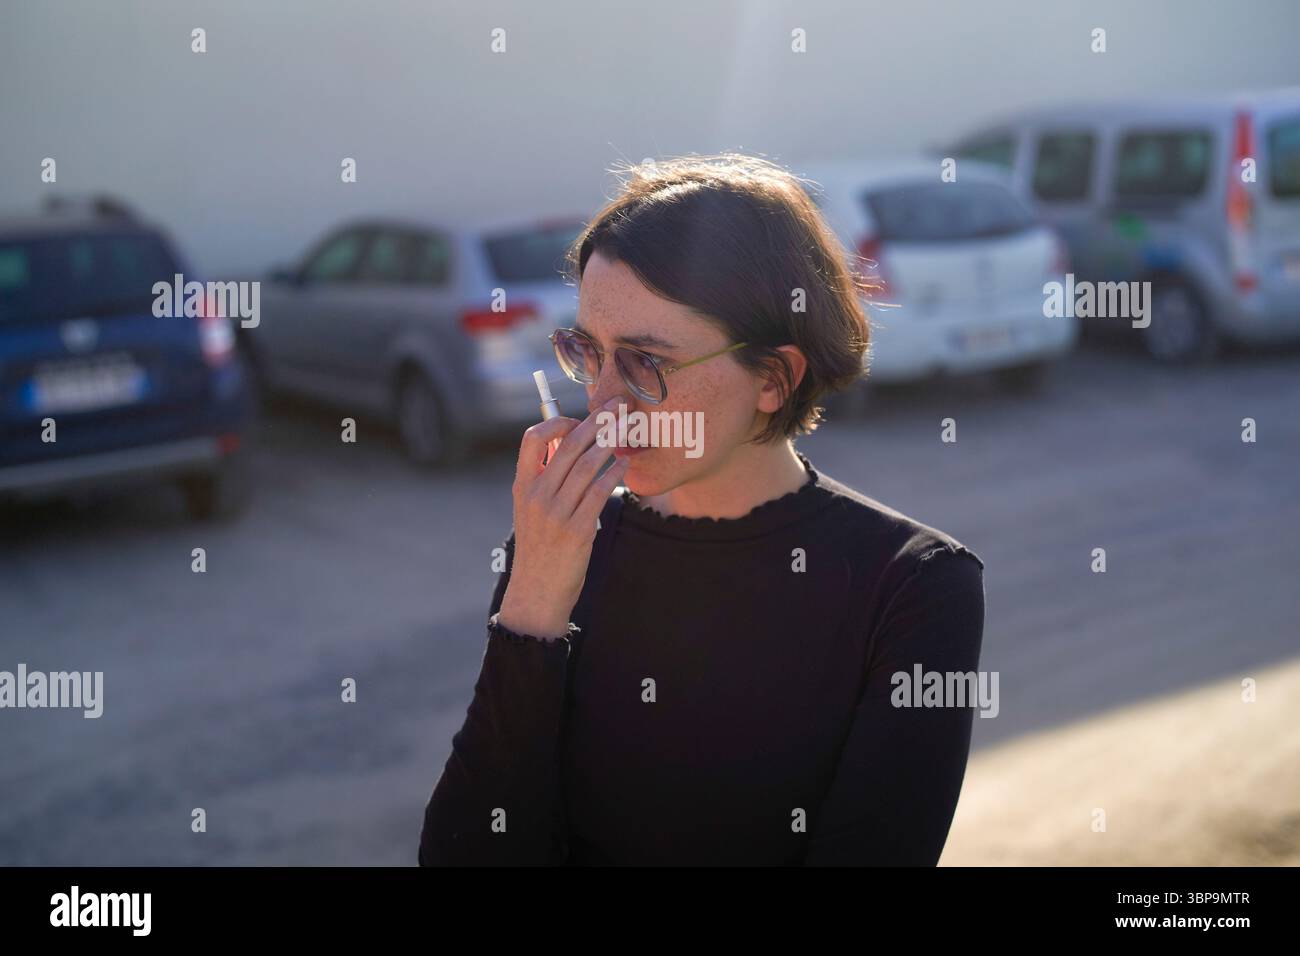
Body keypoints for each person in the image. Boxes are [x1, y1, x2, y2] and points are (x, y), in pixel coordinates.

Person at [419, 153, 986, 866]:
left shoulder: (915, 587)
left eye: (646, 364)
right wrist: (532, 604)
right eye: (588, 353)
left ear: (774, 379)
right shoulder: (564, 544)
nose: (603, 403)